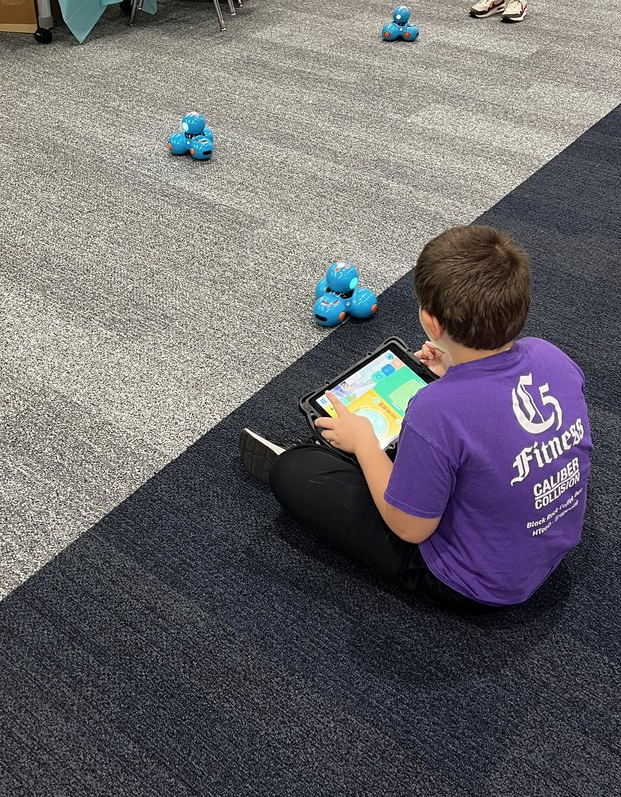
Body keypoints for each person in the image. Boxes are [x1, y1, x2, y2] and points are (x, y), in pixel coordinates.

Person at [239, 226, 592, 612]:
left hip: (473, 583)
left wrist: (364, 443)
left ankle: (347, 458)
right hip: (546, 548)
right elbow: (497, 412)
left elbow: (410, 528)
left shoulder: (435, 407)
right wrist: (455, 368)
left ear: (432, 323)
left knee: (295, 469)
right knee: (434, 454)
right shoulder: (551, 356)